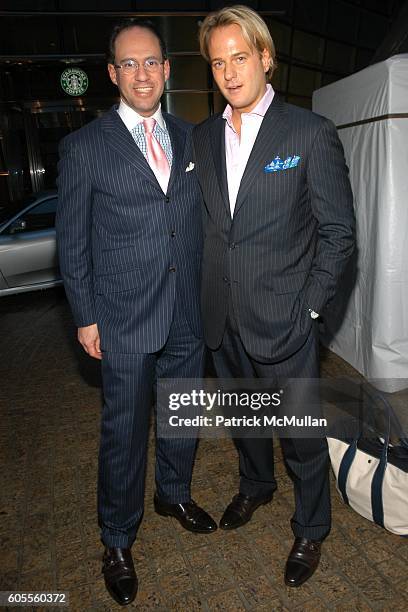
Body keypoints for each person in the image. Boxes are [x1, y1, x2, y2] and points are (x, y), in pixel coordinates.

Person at [193, 5, 355, 587]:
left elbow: (338, 234)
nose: (230, 73)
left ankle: (311, 528)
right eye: (217, 63)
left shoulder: (309, 133)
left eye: (240, 57)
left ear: (265, 57)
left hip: (285, 321)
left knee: (303, 437)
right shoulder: (203, 137)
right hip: (222, 319)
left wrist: (308, 310)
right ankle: (255, 487)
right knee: (245, 422)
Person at [56, 18, 216, 607]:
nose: (142, 73)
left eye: (151, 62)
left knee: (182, 412)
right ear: (112, 74)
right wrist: (85, 315)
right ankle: (117, 539)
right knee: (123, 432)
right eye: (129, 64)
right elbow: (71, 243)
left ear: (168, 69)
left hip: (187, 313)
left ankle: (173, 494)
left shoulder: (194, 136)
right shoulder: (83, 147)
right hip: (121, 317)